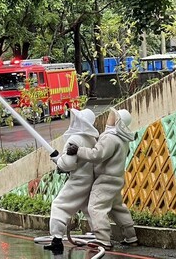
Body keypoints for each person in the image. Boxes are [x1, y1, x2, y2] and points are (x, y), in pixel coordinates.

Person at [67, 107, 138, 250]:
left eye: (113, 116)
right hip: (116, 179)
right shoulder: (122, 140)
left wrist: (78, 150)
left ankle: (103, 239)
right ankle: (131, 236)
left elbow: (96, 155)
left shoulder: (110, 137)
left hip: (105, 180)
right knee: (117, 208)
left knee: (95, 207)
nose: (109, 118)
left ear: (118, 122)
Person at [42, 108, 99, 254]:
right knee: (89, 209)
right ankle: (101, 237)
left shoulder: (74, 139)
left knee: (60, 206)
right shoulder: (91, 139)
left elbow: (68, 164)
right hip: (90, 179)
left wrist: (57, 160)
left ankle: (56, 240)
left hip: (78, 180)